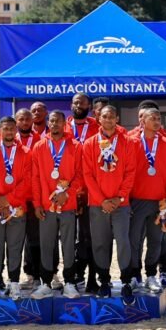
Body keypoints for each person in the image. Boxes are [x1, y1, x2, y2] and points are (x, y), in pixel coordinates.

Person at [81, 104, 137, 298]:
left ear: (117, 119)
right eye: (105, 117)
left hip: (121, 203)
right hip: (98, 204)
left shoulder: (127, 142)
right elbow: (87, 175)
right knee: (100, 243)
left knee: (123, 242)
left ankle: (126, 281)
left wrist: (119, 197)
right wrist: (102, 200)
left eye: (112, 117)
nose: (108, 120)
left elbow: (130, 173)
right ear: (99, 119)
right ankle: (103, 280)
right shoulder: (89, 143)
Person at [30, 109, 82, 298]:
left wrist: (67, 194)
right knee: (46, 244)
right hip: (46, 206)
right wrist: (37, 204)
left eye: (58, 121)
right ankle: (46, 282)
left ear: (64, 124)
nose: (54, 124)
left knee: (68, 244)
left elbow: (80, 176)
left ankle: (69, 282)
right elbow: (35, 178)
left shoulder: (75, 146)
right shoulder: (39, 147)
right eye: (51, 121)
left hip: (67, 205)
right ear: (48, 123)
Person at [127, 107, 166, 292]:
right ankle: (134, 274)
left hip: (160, 201)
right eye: (153, 118)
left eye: (159, 118)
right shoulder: (132, 142)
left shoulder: (165, 143)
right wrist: (127, 198)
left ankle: (151, 275)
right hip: (137, 200)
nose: (157, 122)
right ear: (143, 121)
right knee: (134, 240)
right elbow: (127, 172)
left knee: (156, 240)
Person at [0, 115, 32, 298]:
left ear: (16, 130)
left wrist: (8, 199)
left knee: (15, 246)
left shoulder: (26, 152)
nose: (9, 131)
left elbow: (27, 181)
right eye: (5, 128)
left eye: (12, 128)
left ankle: (14, 282)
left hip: (17, 208)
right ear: (0, 130)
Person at [65, 94, 99, 293]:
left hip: (91, 192)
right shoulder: (64, 126)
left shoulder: (97, 126)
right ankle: (76, 274)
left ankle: (93, 277)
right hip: (68, 191)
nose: (79, 105)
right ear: (71, 105)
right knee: (72, 238)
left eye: (83, 103)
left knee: (90, 236)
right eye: (76, 102)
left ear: (89, 106)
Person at [12, 108, 43, 289]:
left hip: (33, 197)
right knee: (16, 238)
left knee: (34, 238)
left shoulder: (39, 140)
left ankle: (35, 274)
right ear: (16, 121)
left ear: (32, 121)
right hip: (15, 198)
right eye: (21, 119)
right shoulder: (9, 140)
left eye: (27, 119)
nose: (24, 122)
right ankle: (20, 275)